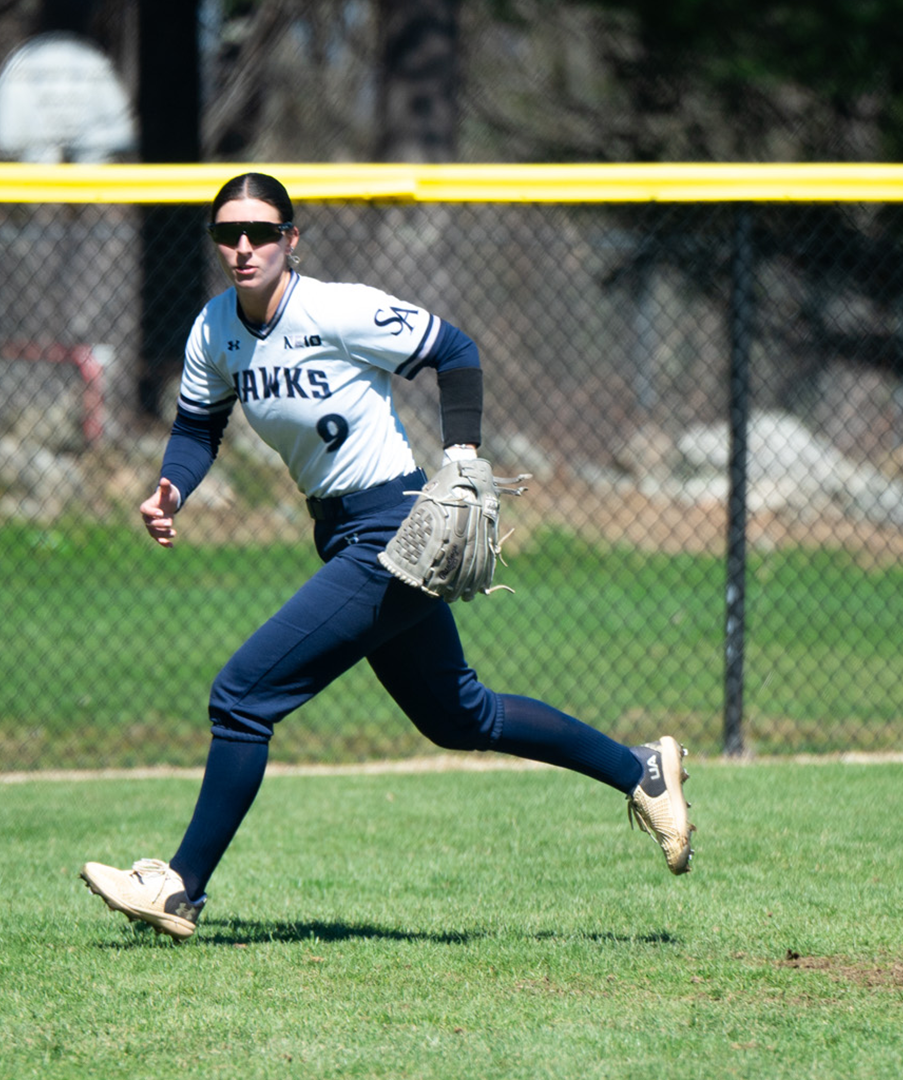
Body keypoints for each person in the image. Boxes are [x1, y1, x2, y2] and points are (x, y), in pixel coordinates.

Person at [81, 173, 693, 941]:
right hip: (337, 530)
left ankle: (179, 887)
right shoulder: (214, 330)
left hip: (394, 531)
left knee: (242, 694)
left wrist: (463, 454)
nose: (243, 247)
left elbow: (453, 348)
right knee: (457, 713)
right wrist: (172, 486)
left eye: (261, 232)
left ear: (290, 239)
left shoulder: (333, 308)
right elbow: (200, 424)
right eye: (228, 234)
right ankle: (639, 770)